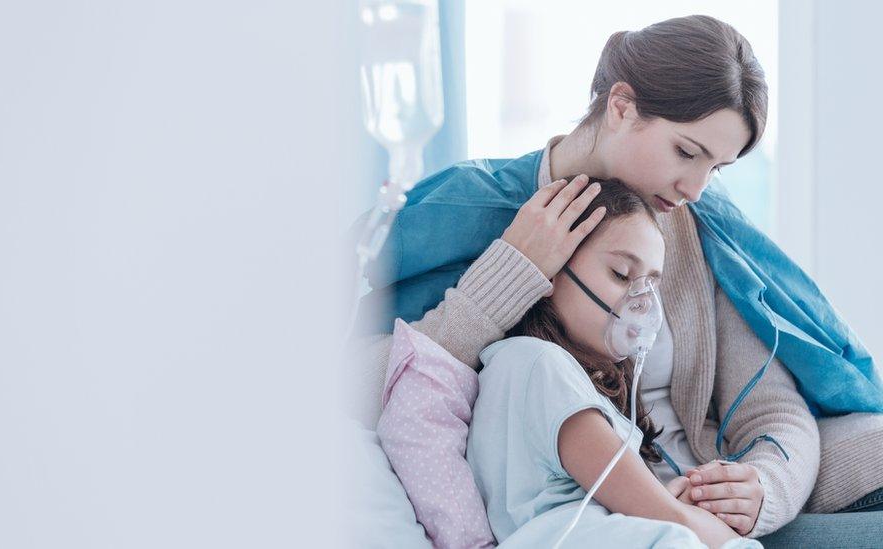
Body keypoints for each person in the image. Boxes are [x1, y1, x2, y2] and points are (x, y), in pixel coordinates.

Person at [345, 14, 883, 547]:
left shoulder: (695, 224)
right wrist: (505, 277)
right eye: (686, 152)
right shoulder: (474, 212)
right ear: (621, 106)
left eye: (715, 168)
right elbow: (338, 394)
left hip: (712, 495)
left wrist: (763, 486)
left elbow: (771, 404)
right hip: (619, 516)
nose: (696, 187)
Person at [467, 180, 758, 548]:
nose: (642, 301)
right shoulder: (537, 364)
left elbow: (643, 511)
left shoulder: (543, 370)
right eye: (621, 274)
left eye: (652, 284)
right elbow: (671, 520)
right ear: (553, 268)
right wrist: (682, 515)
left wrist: (668, 504)